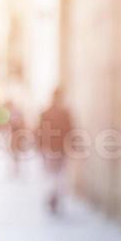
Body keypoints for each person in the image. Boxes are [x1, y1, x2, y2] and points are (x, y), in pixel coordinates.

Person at [37, 86, 75, 214]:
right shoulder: (64, 113)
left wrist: (40, 148)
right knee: (58, 175)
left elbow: (40, 132)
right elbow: (71, 131)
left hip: (52, 150)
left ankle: (53, 197)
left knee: (53, 175)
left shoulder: (46, 112)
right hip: (58, 149)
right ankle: (54, 197)